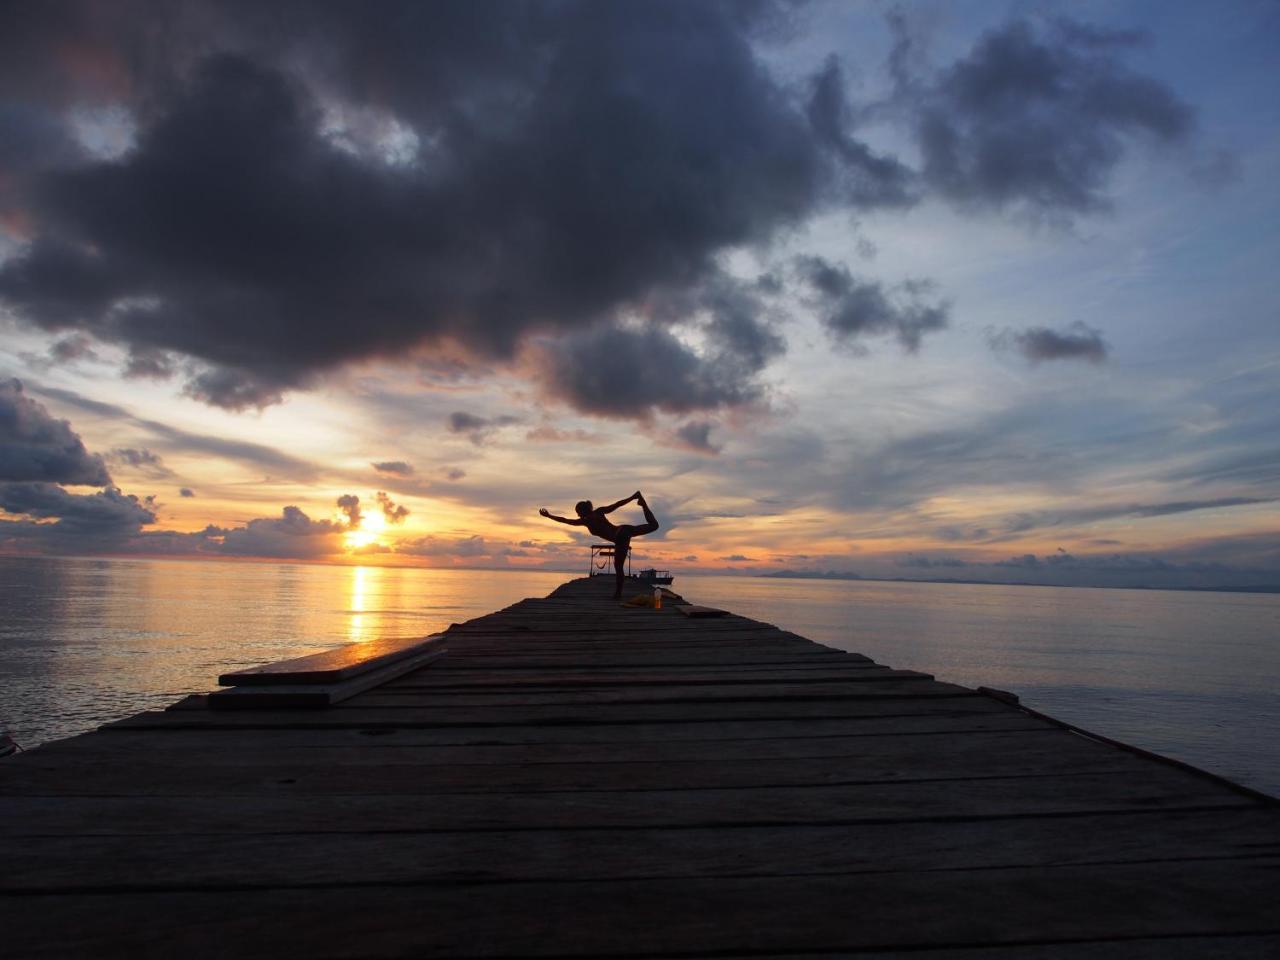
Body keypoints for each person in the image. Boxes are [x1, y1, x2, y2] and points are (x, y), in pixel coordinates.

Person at [540, 491, 659, 599]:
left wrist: (549, 516)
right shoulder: (599, 512)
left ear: (583, 511)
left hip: (619, 536)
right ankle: (643, 504)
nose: (577, 515)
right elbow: (617, 505)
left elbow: (565, 520)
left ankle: (618, 594)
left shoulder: (586, 520)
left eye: (578, 513)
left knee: (618, 567)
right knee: (654, 526)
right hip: (623, 530)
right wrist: (632, 497)